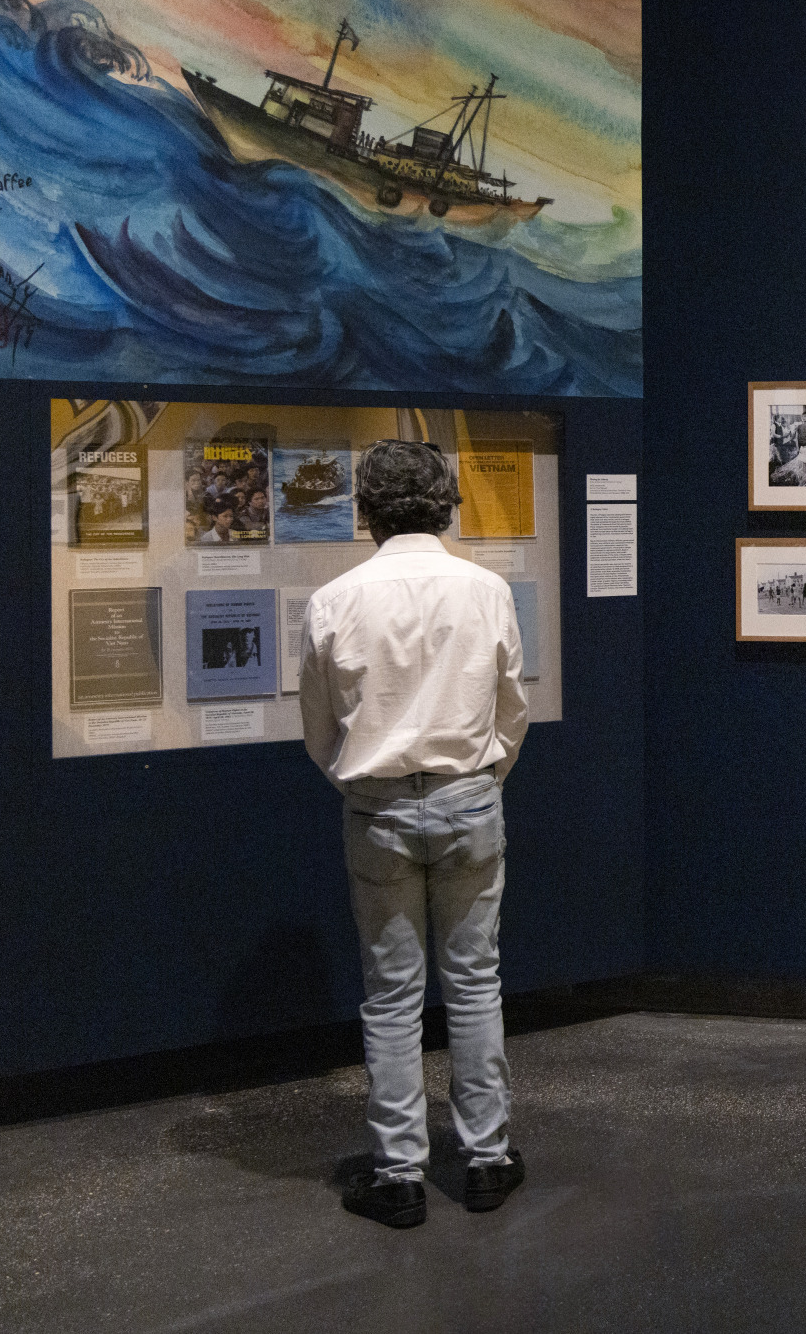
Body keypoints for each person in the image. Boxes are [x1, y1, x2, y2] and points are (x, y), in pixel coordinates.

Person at [300, 440, 530, 1230]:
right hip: (470, 799)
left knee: (392, 996)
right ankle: (487, 1159)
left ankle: (398, 1173)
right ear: (444, 504)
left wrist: (361, 781)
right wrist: (482, 777)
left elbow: (319, 726)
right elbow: (510, 707)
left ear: (365, 509)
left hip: (378, 807)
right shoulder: (486, 589)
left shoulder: (335, 599)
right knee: (473, 984)